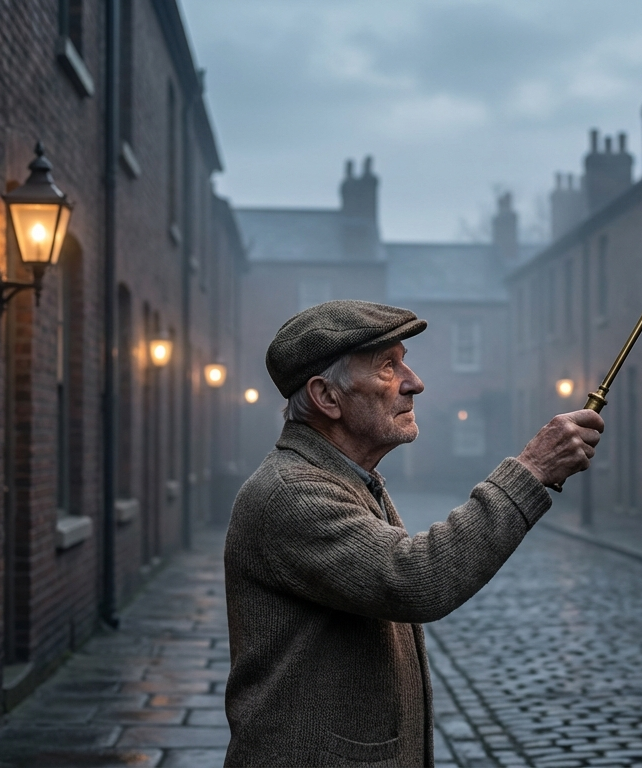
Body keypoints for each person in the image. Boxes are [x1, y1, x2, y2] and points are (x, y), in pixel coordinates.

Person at [224, 300, 603, 767]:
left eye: (404, 361)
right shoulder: (289, 492)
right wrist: (531, 471)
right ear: (326, 397)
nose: (414, 382)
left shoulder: (349, 478)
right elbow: (413, 579)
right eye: (388, 366)